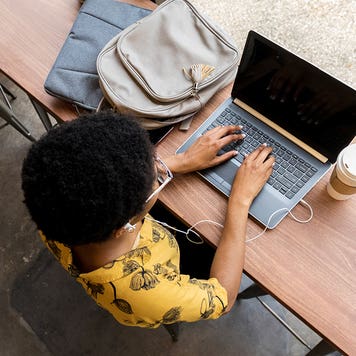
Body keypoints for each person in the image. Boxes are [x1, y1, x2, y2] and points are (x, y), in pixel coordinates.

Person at [21, 111, 274, 328]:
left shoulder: (56, 209)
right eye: (157, 179)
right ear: (123, 227)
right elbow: (224, 299)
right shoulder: (147, 293)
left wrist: (181, 161)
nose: (160, 169)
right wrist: (240, 200)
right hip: (173, 265)